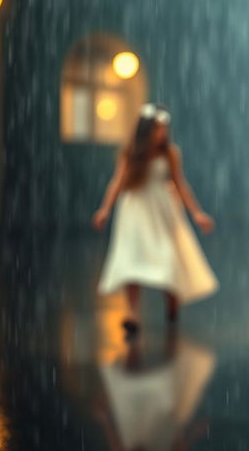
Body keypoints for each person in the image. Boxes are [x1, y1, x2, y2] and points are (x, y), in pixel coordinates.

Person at [93, 103, 218, 334]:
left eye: (164, 129)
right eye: (157, 129)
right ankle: (132, 313)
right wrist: (105, 209)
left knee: (167, 255)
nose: (162, 134)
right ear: (146, 130)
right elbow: (117, 182)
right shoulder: (131, 152)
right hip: (135, 211)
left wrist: (196, 213)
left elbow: (180, 184)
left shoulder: (170, 153)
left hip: (162, 209)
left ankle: (172, 296)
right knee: (130, 260)